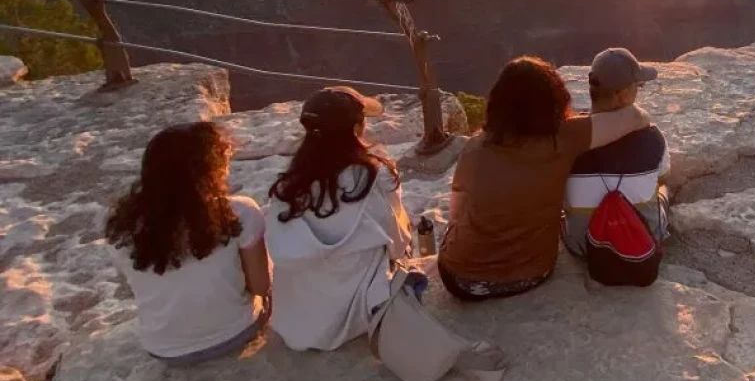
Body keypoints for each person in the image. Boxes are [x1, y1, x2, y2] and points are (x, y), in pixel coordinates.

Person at [438, 56, 652, 301]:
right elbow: (638, 118)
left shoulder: (475, 147)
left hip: (460, 280)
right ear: (555, 97)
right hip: (529, 275)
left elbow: (456, 213)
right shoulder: (566, 137)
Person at [105, 122, 271, 365]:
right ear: (209, 169)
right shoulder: (239, 211)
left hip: (164, 349)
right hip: (235, 333)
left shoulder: (120, 226)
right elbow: (260, 287)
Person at [263, 86, 414, 352]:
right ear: (356, 128)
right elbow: (398, 242)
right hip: (355, 314)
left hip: (298, 323)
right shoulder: (371, 178)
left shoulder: (287, 189)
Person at [562, 48, 669, 258]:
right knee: (663, 186)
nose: (640, 90)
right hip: (643, 242)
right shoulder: (653, 138)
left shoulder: (570, 140)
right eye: (638, 86)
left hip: (582, 246)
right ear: (622, 94)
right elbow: (663, 175)